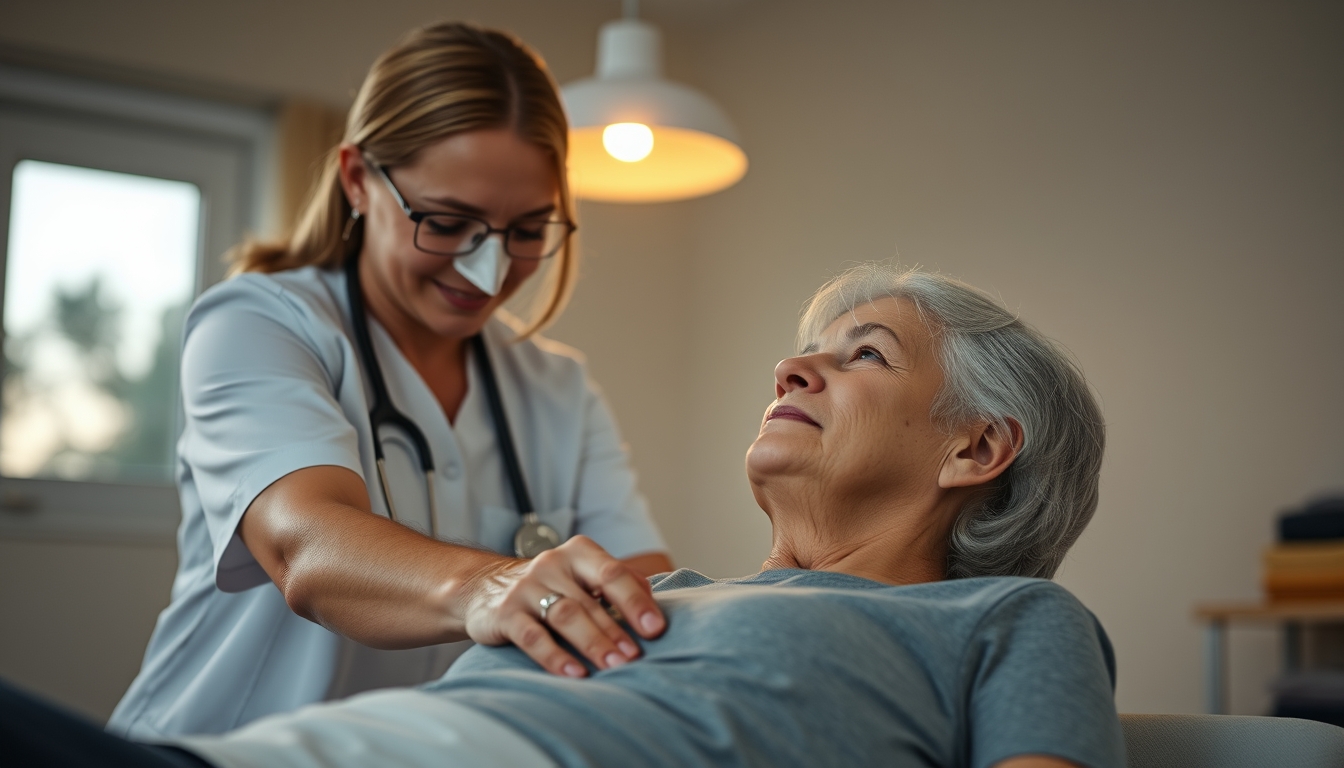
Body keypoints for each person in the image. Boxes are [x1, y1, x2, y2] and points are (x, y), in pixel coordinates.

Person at [4, 263, 1122, 767]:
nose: (794, 365)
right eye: (809, 348)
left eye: (862, 355)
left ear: (976, 448)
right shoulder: (663, 595)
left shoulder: (1006, 618)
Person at [106, 21, 674, 740]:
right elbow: (307, 547)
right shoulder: (257, 323)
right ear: (356, 180)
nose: (489, 273)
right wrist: (490, 585)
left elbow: (644, 593)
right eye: (446, 221)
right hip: (212, 745)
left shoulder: (558, 389)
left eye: (528, 231)